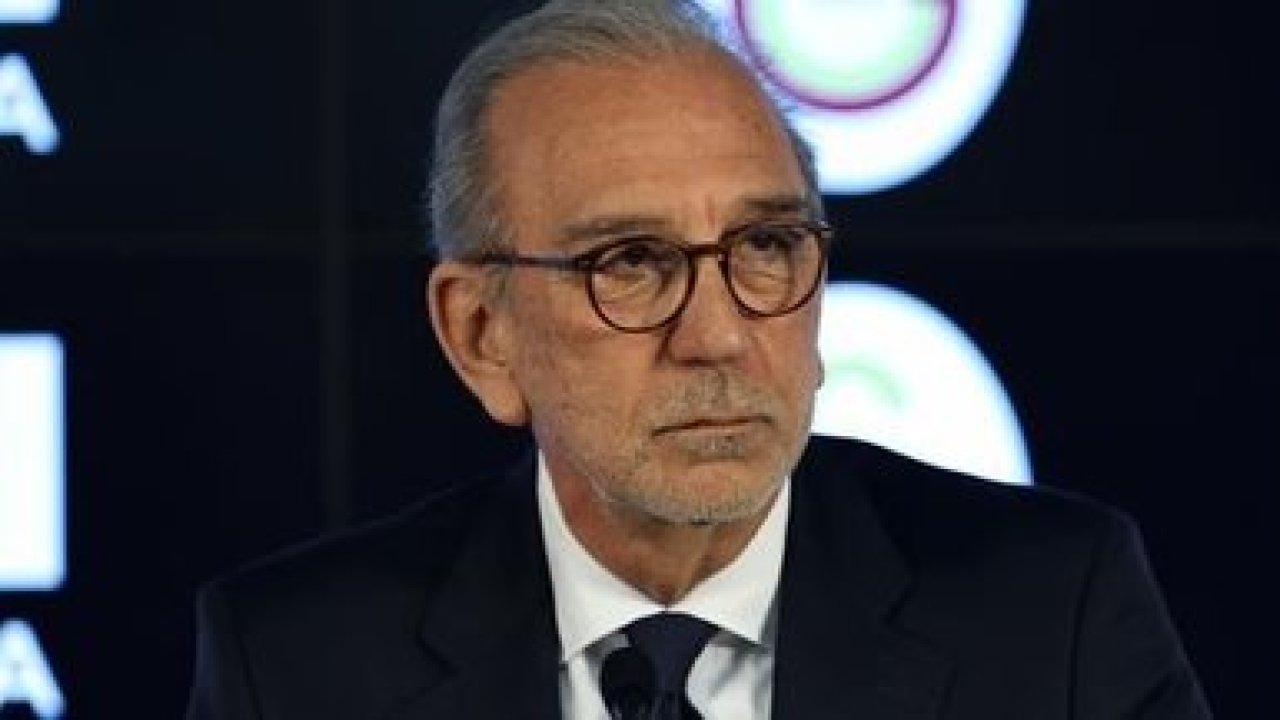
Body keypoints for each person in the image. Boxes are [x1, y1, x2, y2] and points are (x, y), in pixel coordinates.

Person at [185, 1, 1212, 718]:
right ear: (481, 335)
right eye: (630, 263)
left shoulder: (1052, 617)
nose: (718, 336)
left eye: (765, 246)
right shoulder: (297, 667)